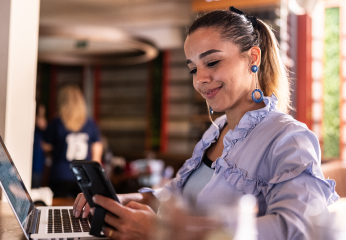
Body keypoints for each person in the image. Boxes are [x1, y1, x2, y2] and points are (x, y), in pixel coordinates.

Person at [73, 7, 339, 240]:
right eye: (193, 68)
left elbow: (298, 229)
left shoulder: (288, 137)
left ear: (253, 58)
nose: (199, 79)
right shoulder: (216, 130)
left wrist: (165, 232)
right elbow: (177, 195)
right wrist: (123, 200)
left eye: (212, 62)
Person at [43, 84, 103, 197]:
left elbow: (46, 145)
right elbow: (97, 156)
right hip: (84, 176)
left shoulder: (57, 122)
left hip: (60, 175)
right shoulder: (91, 123)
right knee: (83, 211)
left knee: (58, 209)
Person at [32, 103, 47, 188]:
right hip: (32, 166)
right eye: (39, 116)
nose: (42, 120)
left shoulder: (41, 133)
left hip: (39, 167)